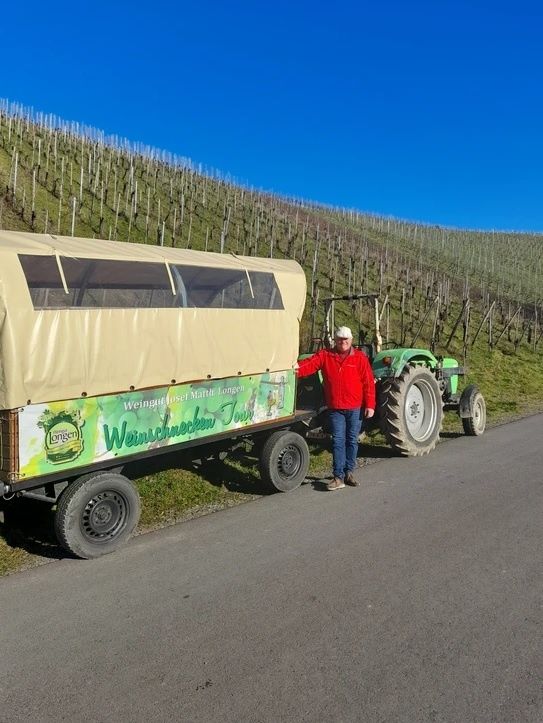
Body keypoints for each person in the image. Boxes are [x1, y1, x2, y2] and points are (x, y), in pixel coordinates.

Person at [296, 326, 376, 491]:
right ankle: (338, 477)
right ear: (335, 340)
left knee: (352, 440)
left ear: (351, 341)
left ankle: (349, 473)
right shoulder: (326, 355)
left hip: (355, 407)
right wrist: (293, 369)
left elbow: (368, 383)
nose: (343, 342)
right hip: (336, 408)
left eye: (346, 339)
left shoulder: (360, 358)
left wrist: (370, 405)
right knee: (338, 440)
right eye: (340, 339)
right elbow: (309, 365)